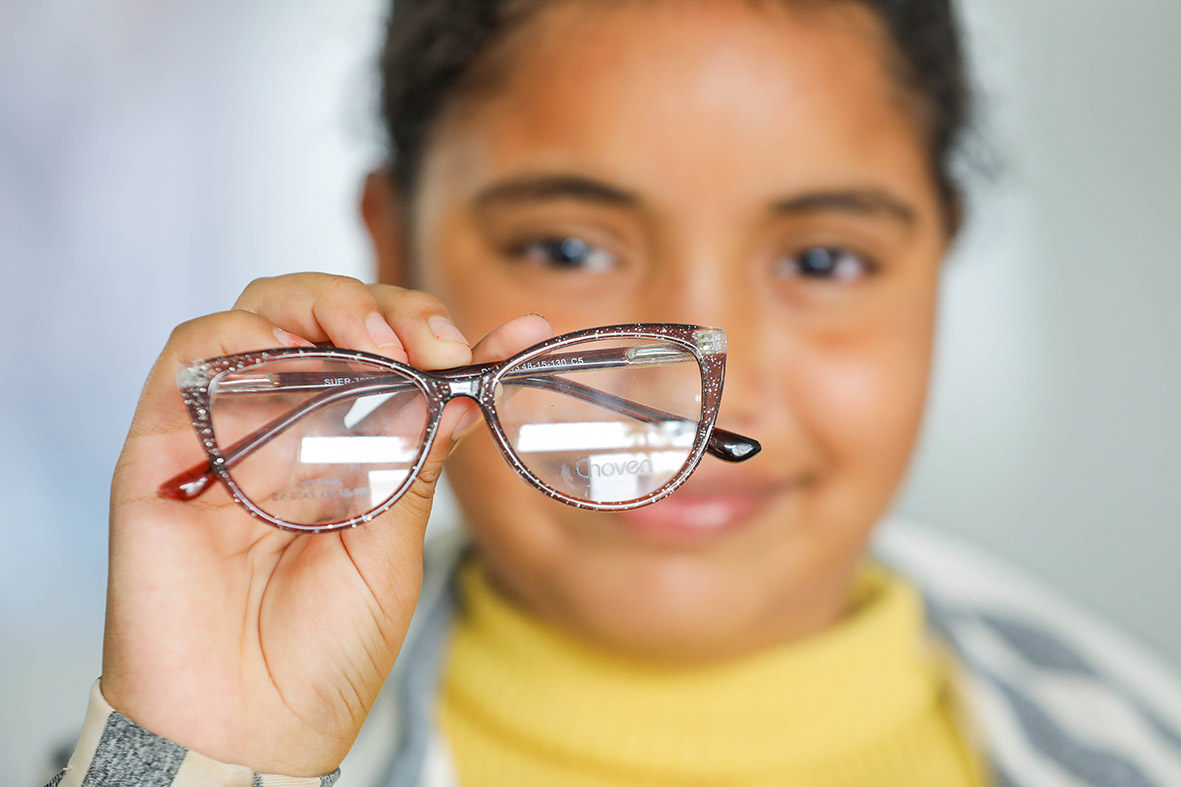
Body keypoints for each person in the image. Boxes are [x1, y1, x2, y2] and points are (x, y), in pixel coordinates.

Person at [45, 0, 1181, 785]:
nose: (689, 401)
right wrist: (206, 748)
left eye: (822, 262)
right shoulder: (178, 751)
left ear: (940, 257)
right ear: (393, 242)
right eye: (567, 250)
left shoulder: (1144, 741)